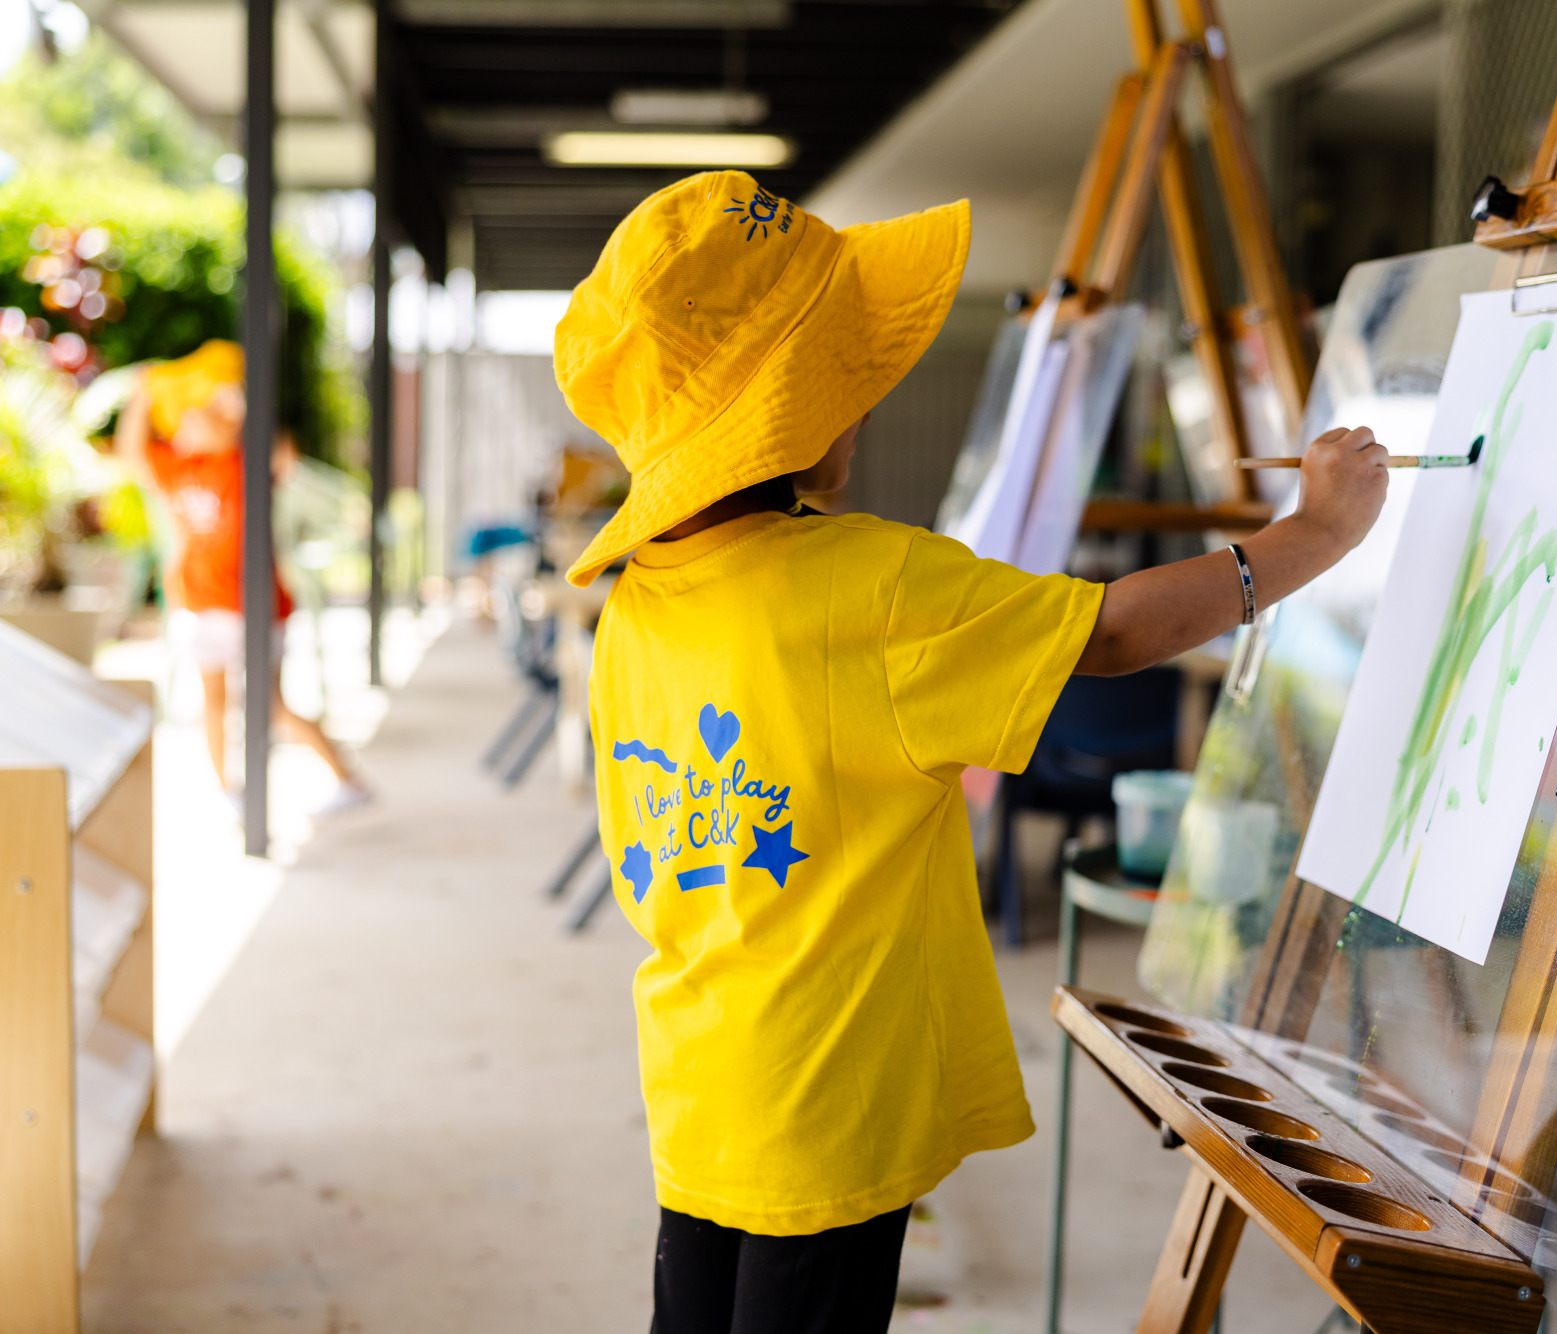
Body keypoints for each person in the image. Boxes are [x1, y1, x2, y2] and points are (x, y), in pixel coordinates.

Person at [556, 172, 1389, 1333]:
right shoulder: (875, 587)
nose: (866, 401)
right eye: (848, 376)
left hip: (701, 1081)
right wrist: (1312, 532)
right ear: (798, 407)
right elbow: (1109, 630)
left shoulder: (636, 600)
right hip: (833, 1101)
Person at [114, 340, 371, 816]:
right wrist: (143, 395)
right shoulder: (179, 468)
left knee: (271, 705)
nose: (188, 424)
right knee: (213, 703)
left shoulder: (244, 462)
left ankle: (346, 780)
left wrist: (235, 401)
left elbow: (282, 452)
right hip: (201, 604)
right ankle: (227, 792)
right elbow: (131, 451)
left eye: (201, 415)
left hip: (254, 606)